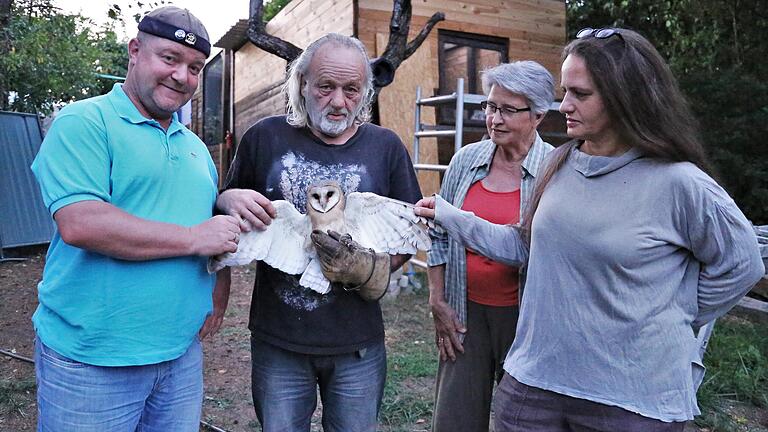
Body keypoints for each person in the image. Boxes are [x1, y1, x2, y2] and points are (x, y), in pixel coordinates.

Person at [415, 27, 765, 431]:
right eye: (565, 91)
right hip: (535, 388)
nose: (563, 105)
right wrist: (451, 215)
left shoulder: (679, 182)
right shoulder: (559, 165)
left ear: (623, 98)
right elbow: (522, 245)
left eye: (580, 94)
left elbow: (742, 263)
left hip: (629, 402)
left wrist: (674, 312)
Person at [30, 7, 242, 431]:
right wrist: (194, 238)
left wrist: (218, 289)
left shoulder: (197, 148)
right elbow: (82, 222)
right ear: (134, 51)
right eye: (169, 59)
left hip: (180, 357)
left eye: (195, 68)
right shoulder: (85, 122)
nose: (182, 76)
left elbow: (208, 227)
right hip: (92, 361)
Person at [215, 33, 422, 431]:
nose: (339, 101)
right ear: (302, 85)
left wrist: (368, 269)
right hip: (279, 341)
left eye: (351, 89)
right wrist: (227, 200)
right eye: (326, 87)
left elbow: (407, 233)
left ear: (365, 93)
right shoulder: (264, 137)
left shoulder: (386, 146)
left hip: (356, 343)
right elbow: (227, 214)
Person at [427, 61, 555, 432]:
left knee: (524, 420)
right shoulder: (466, 161)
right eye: (490, 106)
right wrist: (438, 300)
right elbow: (437, 234)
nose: (494, 119)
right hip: (464, 313)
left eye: (507, 110)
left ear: (538, 115)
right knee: (455, 420)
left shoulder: (555, 168)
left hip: (527, 319)